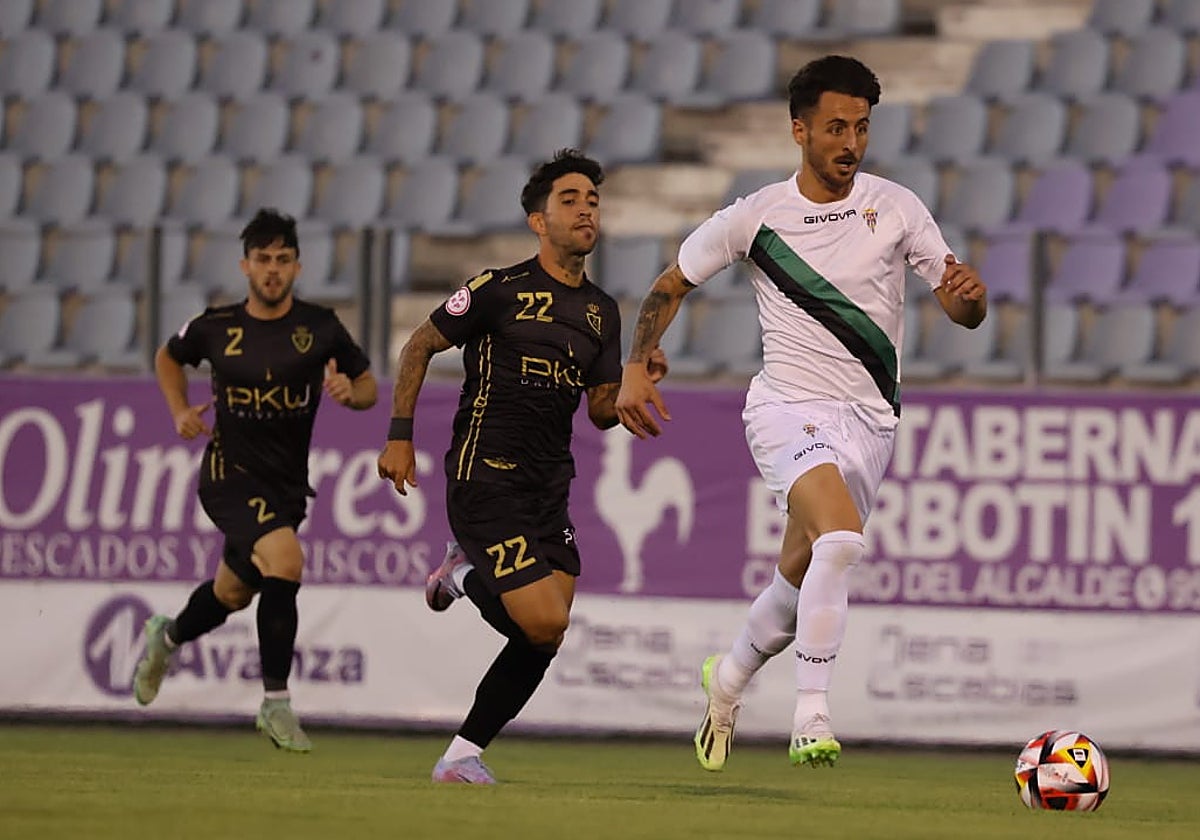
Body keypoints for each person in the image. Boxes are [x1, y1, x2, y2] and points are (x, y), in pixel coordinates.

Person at [615, 56, 988, 771]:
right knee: (840, 541)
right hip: (787, 408)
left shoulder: (897, 207)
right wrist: (635, 365)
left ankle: (727, 680)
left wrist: (970, 297)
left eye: (862, 128)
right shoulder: (758, 216)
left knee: (796, 584)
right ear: (800, 131)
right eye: (837, 127)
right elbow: (670, 284)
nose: (851, 143)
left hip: (871, 422)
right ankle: (810, 714)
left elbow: (959, 305)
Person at [377, 149, 667, 784]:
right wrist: (399, 437)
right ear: (539, 221)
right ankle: (461, 574)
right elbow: (419, 345)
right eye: (570, 200)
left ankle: (461, 755)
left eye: (593, 200)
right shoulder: (497, 288)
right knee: (545, 620)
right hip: (485, 474)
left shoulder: (601, 311)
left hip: (548, 486)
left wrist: (632, 383)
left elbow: (599, 410)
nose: (586, 210)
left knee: (546, 634)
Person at [133, 208, 378, 752]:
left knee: (233, 592)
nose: (272, 269)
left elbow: (367, 386)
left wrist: (351, 394)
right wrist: (178, 411)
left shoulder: (320, 327)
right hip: (229, 474)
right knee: (286, 561)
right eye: (263, 259)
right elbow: (168, 358)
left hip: (286, 485)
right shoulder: (216, 327)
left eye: (282, 259)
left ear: (297, 267)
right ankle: (275, 703)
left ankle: (165, 637)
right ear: (245, 266)